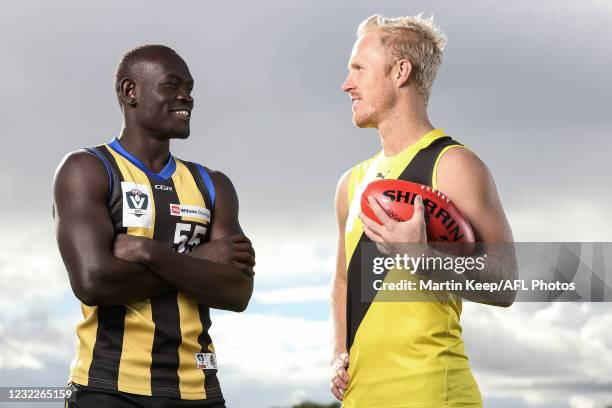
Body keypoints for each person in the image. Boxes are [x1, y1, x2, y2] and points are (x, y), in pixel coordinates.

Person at [53, 44, 255, 408]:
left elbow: (238, 292)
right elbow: (94, 283)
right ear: (131, 91)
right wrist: (201, 260)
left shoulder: (213, 184)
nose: (186, 97)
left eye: (190, 88)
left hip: (198, 391)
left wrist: (150, 253)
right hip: (108, 389)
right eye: (172, 85)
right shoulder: (87, 169)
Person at [330, 15, 516, 407]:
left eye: (358, 69)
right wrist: (338, 351)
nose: (346, 84)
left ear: (400, 72)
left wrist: (421, 257)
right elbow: (344, 281)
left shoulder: (453, 165)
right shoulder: (352, 183)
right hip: (360, 397)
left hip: (434, 392)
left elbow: (505, 283)